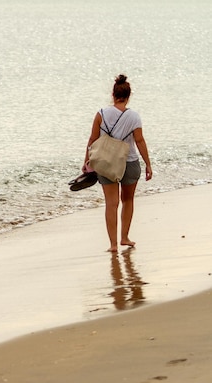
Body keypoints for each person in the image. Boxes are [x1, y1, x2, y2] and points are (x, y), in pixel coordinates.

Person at [83, 74, 152, 252]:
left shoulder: (101, 114)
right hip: (129, 162)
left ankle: (113, 244)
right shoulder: (134, 116)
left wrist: (86, 161)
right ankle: (125, 238)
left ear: (113, 95)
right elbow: (140, 141)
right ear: (128, 97)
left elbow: (92, 139)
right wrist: (148, 164)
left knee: (111, 203)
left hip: (106, 163)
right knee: (127, 200)